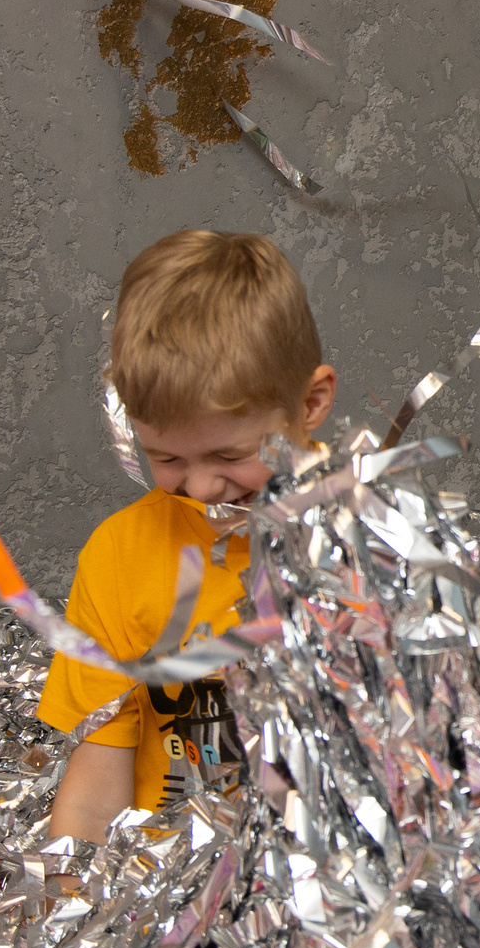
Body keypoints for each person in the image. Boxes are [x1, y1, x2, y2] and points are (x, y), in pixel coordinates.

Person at [40, 230, 338, 844]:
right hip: (171, 879)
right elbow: (96, 782)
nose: (201, 488)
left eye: (231, 453)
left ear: (310, 403)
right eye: (166, 458)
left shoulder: (373, 539)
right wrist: (67, 902)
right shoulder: (119, 559)